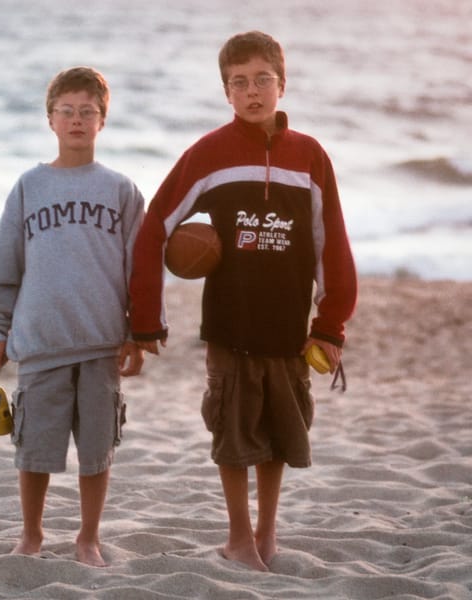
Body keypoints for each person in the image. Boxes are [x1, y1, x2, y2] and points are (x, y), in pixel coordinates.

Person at [128, 31, 357, 571]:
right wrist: (146, 321)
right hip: (229, 325)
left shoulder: (310, 156)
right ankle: (237, 537)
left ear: (282, 83)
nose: (251, 92)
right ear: (225, 92)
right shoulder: (209, 153)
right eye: (239, 83)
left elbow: (332, 241)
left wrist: (330, 323)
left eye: (261, 80)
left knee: (278, 432)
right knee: (233, 433)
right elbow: (154, 226)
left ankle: (266, 534)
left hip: (288, 327)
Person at [0, 66, 145, 567]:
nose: (77, 120)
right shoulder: (30, 186)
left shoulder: (120, 190)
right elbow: (7, 261)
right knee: (33, 447)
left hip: (100, 343)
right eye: (67, 111)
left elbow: (140, 268)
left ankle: (87, 537)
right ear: (50, 120)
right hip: (42, 340)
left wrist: (139, 331)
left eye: (87, 112)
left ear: (103, 121)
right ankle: (31, 534)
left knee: (97, 451)